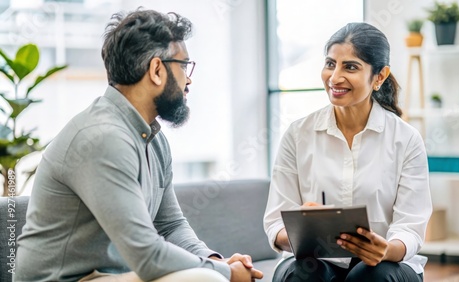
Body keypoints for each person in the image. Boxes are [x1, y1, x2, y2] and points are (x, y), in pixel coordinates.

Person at [15, 9, 263, 282]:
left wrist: (215, 260)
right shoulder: (102, 137)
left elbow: (170, 225)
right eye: (184, 66)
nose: (189, 80)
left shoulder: (153, 139)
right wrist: (226, 273)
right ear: (157, 70)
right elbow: (147, 255)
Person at [263, 22, 432, 282]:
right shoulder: (298, 134)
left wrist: (386, 249)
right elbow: (275, 223)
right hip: (316, 262)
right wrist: (303, 231)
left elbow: (410, 227)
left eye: (350, 67)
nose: (335, 77)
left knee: (373, 276)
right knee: (301, 273)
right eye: (330, 64)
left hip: (383, 265)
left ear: (379, 76)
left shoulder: (405, 139)